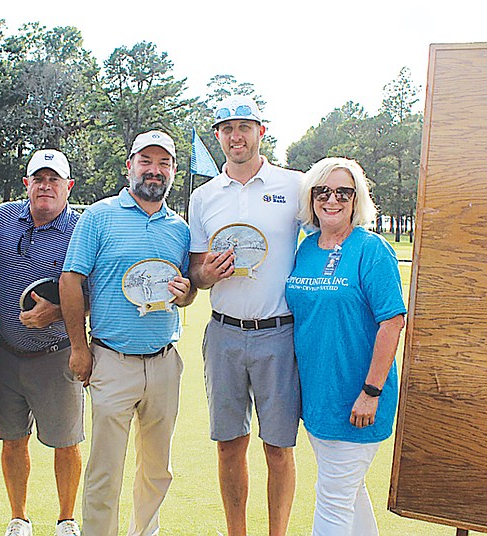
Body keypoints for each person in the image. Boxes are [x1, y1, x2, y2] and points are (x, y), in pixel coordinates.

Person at [60, 130, 196, 536]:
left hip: (163, 361)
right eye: (146, 161)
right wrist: (79, 349)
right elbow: (71, 280)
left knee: (157, 469)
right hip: (111, 359)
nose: (154, 171)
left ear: (173, 170)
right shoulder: (99, 216)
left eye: (164, 163)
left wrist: (187, 293)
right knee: (105, 470)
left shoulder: (180, 228)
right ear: (130, 166)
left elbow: (185, 291)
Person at [187, 95, 303, 536]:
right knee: (229, 446)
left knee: (278, 448)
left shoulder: (293, 186)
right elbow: (196, 272)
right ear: (218, 136)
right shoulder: (203, 197)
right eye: (227, 129)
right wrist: (205, 273)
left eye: (245, 127)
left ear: (262, 132)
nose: (236, 136)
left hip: (279, 332)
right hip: (224, 334)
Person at [285, 157, 406, 535]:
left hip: (359, 400)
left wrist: (371, 392)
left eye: (343, 192)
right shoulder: (305, 249)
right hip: (318, 399)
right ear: (311, 197)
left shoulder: (372, 249)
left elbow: (393, 322)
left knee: (333, 500)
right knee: (347, 494)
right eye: (323, 191)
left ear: (357, 199)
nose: (332, 199)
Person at [0, 149, 85, 536]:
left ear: (68, 186)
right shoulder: (3, 217)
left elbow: (97, 288)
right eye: (38, 179)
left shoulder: (82, 227)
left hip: (56, 354)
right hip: (6, 353)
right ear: (26, 183)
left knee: (66, 441)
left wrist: (59, 311)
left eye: (54, 180)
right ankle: (19, 517)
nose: (46, 186)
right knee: (13, 440)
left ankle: (66, 519)